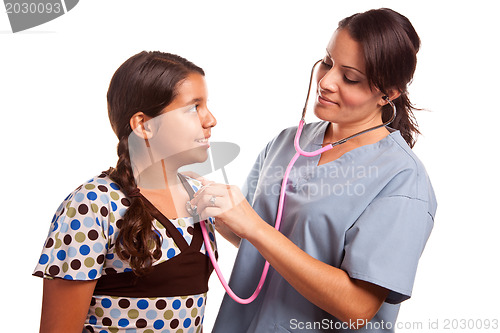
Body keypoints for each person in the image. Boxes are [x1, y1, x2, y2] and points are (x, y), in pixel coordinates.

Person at [191, 8, 437, 332]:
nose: (326, 81)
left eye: (350, 78)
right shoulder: (287, 142)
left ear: (387, 94)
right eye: (327, 62)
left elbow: (358, 307)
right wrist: (208, 203)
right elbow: (257, 237)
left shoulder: (402, 180)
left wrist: (254, 228)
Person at [33, 51, 218, 332]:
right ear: (144, 126)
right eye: (194, 108)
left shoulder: (200, 198)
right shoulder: (92, 204)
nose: (211, 120)